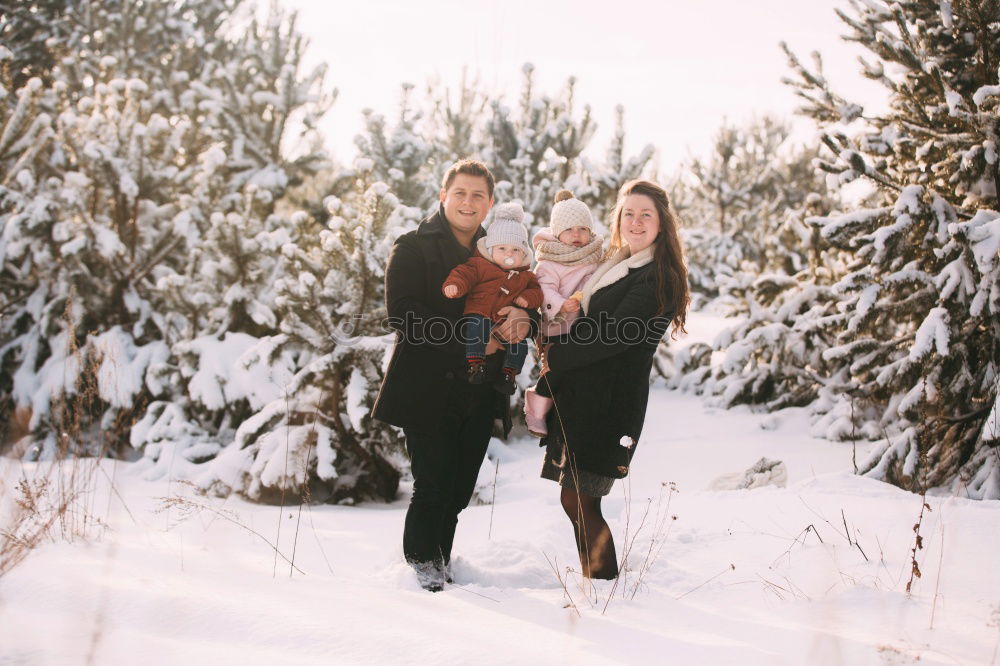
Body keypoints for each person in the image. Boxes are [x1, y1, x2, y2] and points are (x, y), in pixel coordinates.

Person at [371, 159, 538, 592]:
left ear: (490, 204)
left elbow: (531, 303)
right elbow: (404, 314)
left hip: (479, 391)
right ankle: (422, 568)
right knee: (433, 483)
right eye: (460, 193)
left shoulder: (503, 250)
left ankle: (441, 559)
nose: (468, 202)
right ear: (443, 195)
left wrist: (524, 318)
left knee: (460, 487)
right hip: (427, 385)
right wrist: (472, 343)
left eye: (478, 195)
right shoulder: (413, 246)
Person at [537, 179, 690, 580]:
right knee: (574, 498)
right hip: (583, 396)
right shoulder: (615, 263)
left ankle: (603, 585)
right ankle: (598, 581)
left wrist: (556, 354)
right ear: (618, 219)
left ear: (662, 224)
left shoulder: (657, 275)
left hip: (609, 403)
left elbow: (614, 334)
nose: (636, 221)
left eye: (646, 214)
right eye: (629, 213)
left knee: (582, 499)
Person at [523, 189, 604, 437]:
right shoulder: (549, 261)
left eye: (582, 229)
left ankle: (567, 414)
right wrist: (561, 304)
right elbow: (543, 289)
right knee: (556, 369)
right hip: (557, 326)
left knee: (577, 375)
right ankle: (537, 404)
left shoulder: (593, 256)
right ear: (558, 233)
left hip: (583, 328)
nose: (576, 235)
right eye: (569, 230)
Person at [442, 202, 544, 395]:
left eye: (515, 250)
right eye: (502, 248)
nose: (508, 254)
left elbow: (537, 292)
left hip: (505, 321)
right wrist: (455, 285)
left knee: (519, 343)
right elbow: (464, 274)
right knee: (476, 327)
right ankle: (475, 363)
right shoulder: (480, 265)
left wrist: (526, 299)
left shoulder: (526, 276)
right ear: (490, 249)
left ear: (523, 253)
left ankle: (509, 373)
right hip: (480, 312)